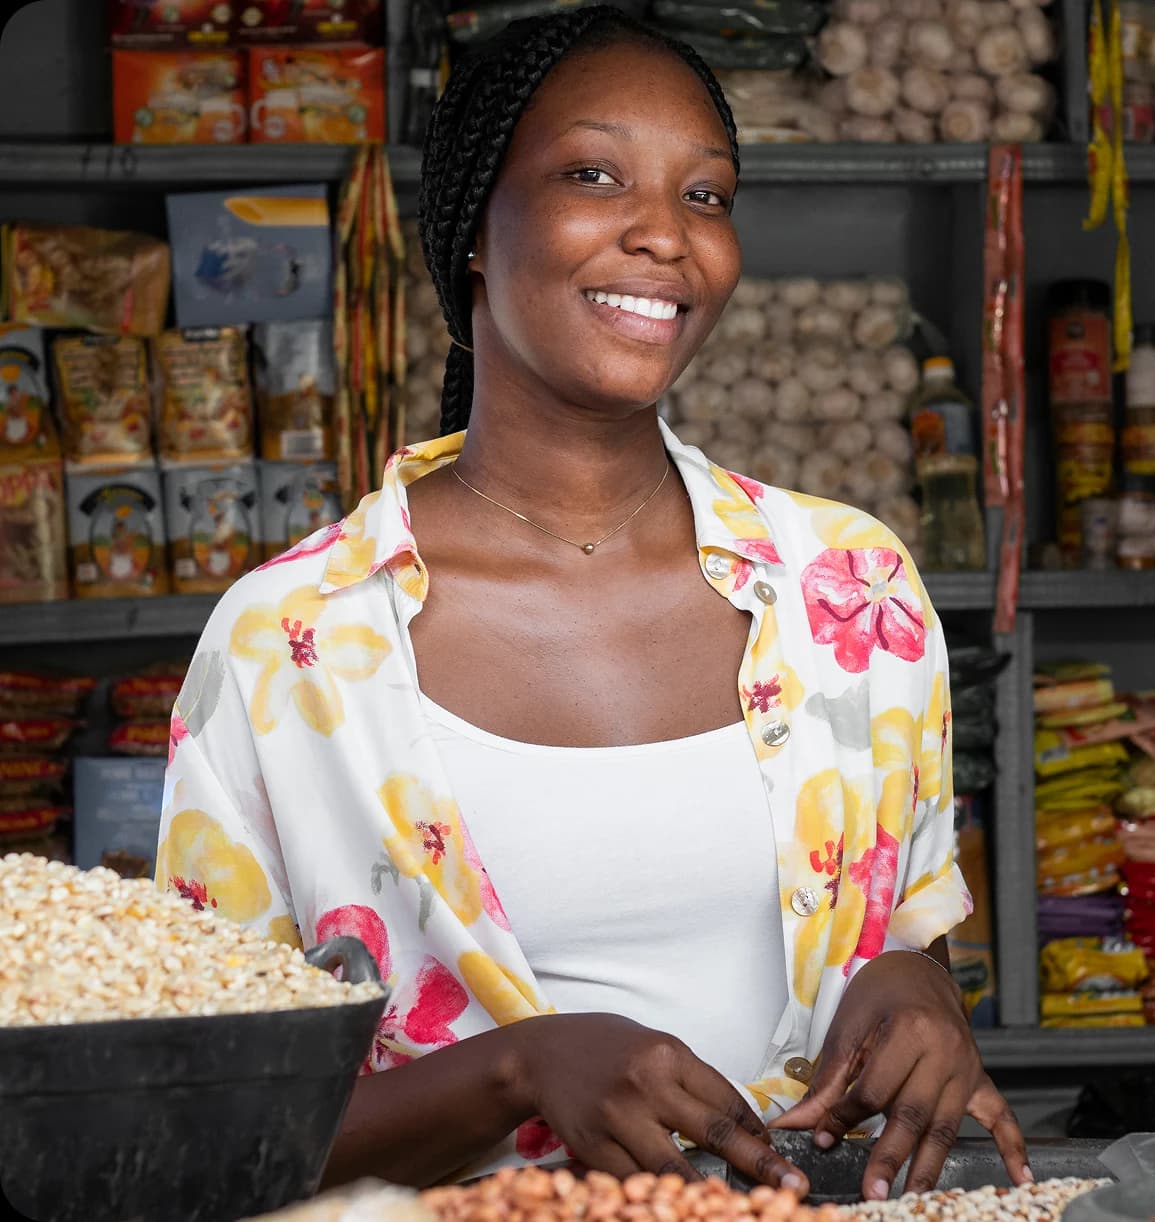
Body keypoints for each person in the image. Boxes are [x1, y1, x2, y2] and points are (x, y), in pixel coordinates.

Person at [156, 4, 1029, 1203]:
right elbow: (209, 1128)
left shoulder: (846, 587)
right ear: (476, 228)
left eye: (705, 195)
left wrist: (916, 987)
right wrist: (512, 1070)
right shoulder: (289, 643)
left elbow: (907, 938)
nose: (665, 233)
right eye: (594, 175)